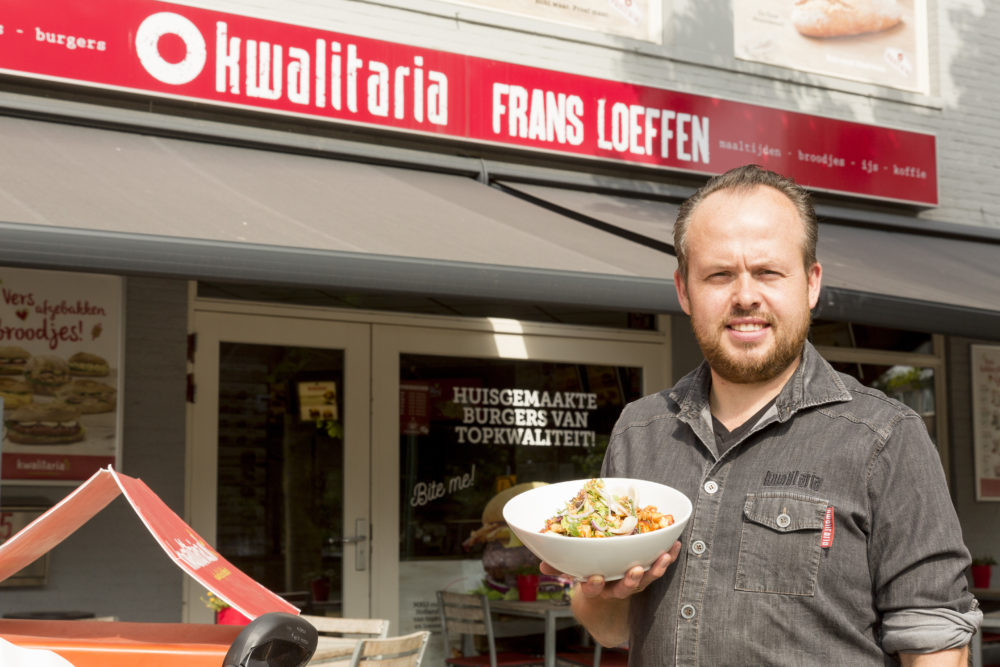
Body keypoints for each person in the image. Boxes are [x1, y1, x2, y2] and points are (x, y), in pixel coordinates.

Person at [543, 164, 982, 665]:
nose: (746, 295)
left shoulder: (883, 438)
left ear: (811, 284)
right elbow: (610, 628)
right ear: (684, 291)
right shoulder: (640, 431)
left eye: (769, 272)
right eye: (719, 274)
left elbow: (933, 642)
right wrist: (599, 592)